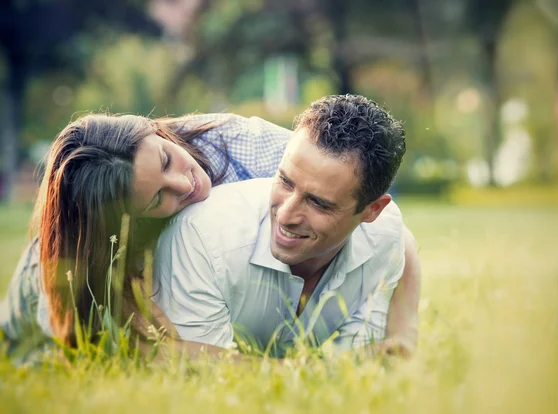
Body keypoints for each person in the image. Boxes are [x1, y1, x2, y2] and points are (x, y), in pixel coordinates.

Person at [0, 97, 419, 357]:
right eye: (155, 200)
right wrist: (118, 291)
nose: (185, 184)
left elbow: (391, 234)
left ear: (158, 132)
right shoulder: (88, 238)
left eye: (166, 160)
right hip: (49, 284)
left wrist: (403, 334)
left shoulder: (246, 145)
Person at [152, 95, 414, 356]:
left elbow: (358, 365)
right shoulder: (201, 237)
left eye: (318, 203)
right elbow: (204, 374)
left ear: (372, 210)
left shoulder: (384, 236)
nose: (287, 215)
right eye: (285, 181)